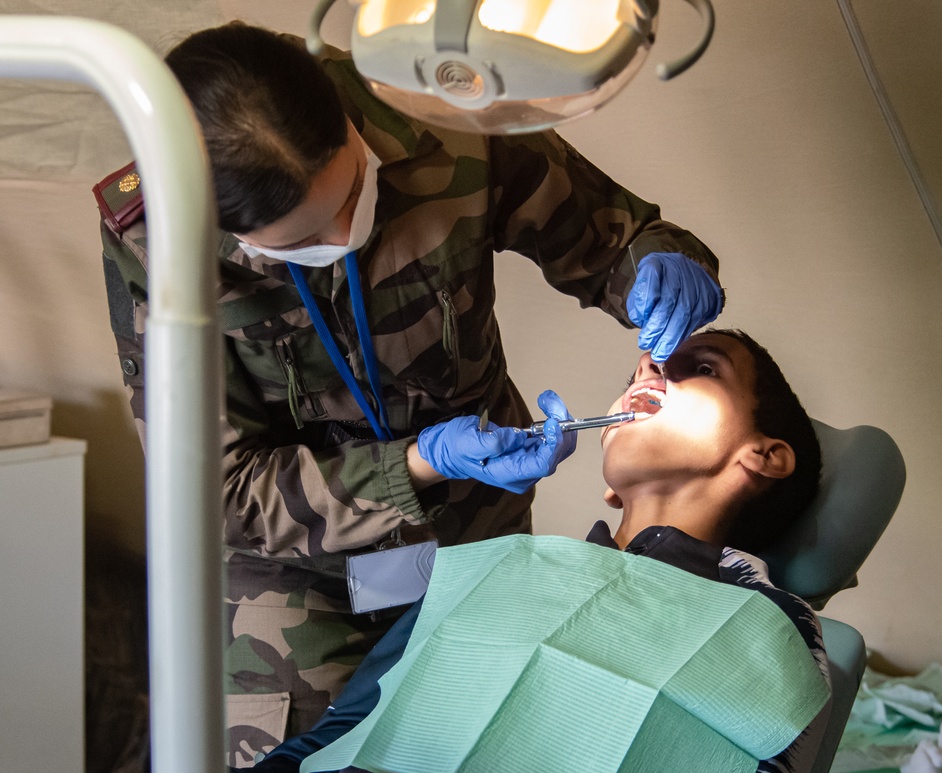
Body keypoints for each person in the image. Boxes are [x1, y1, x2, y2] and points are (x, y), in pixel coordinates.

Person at [93, 21, 724, 765]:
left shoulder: (438, 111)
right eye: (302, 243)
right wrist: (423, 461)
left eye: (353, 193)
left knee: (476, 733)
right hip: (304, 568)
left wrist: (656, 263)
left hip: (466, 531)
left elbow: (610, 234)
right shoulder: (156, 244)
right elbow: (224, 489)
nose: (342, 233)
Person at [249, 329, 830, 773]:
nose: (648, 368)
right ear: (609, 482)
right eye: (639, 366)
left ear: (766, 455)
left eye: (702, 368)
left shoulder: (768, 623)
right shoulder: (481, 563)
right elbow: (342, 723)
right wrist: (420, 465)